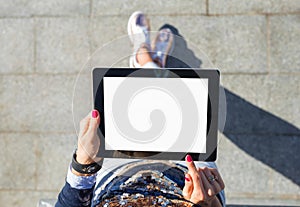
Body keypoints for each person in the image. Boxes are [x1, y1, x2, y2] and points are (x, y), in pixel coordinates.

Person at [55, 11, 225, 207]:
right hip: (188, 174)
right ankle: (149, 63)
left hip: (118, 170)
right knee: (186, 114)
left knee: (146, 110)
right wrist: (206, 203)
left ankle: (148, 62)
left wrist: (83, 165)